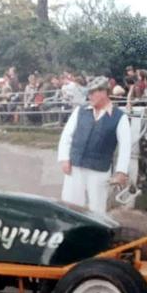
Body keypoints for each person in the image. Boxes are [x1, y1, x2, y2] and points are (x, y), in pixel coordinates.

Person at [57, 76, 131, 215]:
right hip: (75, 165)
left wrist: (121, 171)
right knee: (69, 204)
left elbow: (125, 146)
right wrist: (64, 159)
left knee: (96, 208)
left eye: (92, 93)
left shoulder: (120, 117)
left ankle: (94, 234)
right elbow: (67, 135)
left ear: (104, 92)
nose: (89, 96)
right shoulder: (80, 111)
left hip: (99, 170)